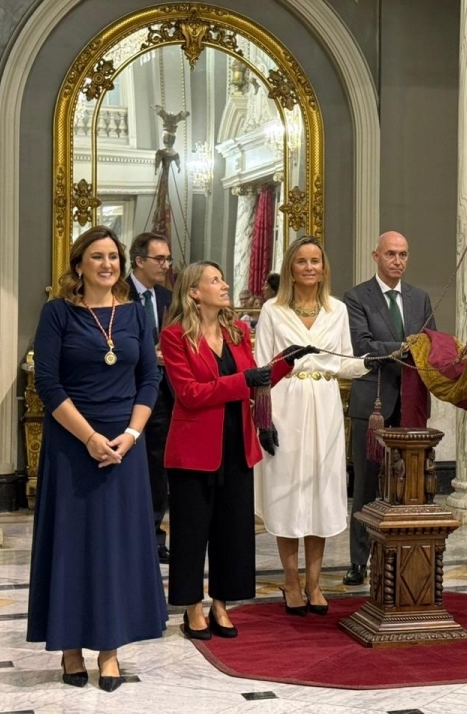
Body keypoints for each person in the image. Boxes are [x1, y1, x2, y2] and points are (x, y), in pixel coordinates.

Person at [27, 225, 167, 692]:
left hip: (124, 446)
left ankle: (109, 650)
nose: (107, 264)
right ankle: (70, 647)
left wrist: (130, 434)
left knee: (115, 548)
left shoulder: (135, 316)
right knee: (72, 545)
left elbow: (149, 378)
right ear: (79, 264)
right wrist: (89, 438)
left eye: (113, 256)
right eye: (97, 256)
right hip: (72, 443)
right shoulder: (57, 314)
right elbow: (48, 384)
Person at [160, 261, 314, 639]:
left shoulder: (238, 331)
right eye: (215, 280)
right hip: (194, 451)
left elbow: (253, 383)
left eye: (222, 279)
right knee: (192, 533)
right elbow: (190, 395)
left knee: (233, 531)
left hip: (237, 445)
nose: (225, 285)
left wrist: (283, 364)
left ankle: (221, 605)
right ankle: (192, 609)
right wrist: (242, 379)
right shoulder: (175, 336)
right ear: (194, 292)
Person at [254, 236, 374, 616]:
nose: (309, 267)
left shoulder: (336, 310)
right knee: (288, 492)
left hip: (324, 408)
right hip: (286, 405)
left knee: (321, 492)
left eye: (316, 261)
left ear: (324, 268)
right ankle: (290, 581)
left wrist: (378, 359)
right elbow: (261, 368)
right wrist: (264, 419)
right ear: (291, 267)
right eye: (302, 261)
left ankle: (314, 583)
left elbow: (344, 363)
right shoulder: (273, 311)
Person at [342, 231, 436, 586]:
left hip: (411, 404)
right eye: (391, 254)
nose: (398, 261)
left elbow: (431, 344)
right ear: (376, 256)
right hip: (374, 404)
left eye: (403, 254)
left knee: (408, 485)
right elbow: (362, 345)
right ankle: (358, 561)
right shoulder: (357, 297)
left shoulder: (419, 298)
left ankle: (402, 557)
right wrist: (405, 347)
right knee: (366, 486)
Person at [126, 231, 174, 564]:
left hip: (164, 394)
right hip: (125, 393)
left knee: (158, 466)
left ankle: (155, 535)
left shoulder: (169, 298)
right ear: (139, 260)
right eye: (160, 259)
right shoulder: (117, 293)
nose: (166, 265)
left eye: (168, 259)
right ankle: (127, 533)